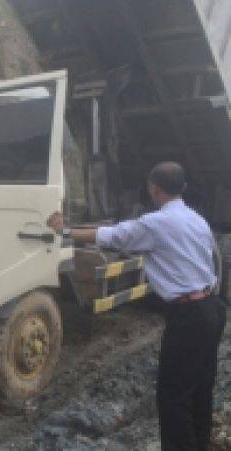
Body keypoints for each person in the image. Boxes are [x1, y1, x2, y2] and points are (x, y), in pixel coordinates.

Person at [47, 162, 226, 451]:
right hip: (212, 308)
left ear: (153, 188)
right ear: (182, 188)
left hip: (188, 317)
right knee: (200, 389)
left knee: (173, 396)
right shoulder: (196, 219)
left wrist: (64, 229)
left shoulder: (156, 224)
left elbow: (111, 235)